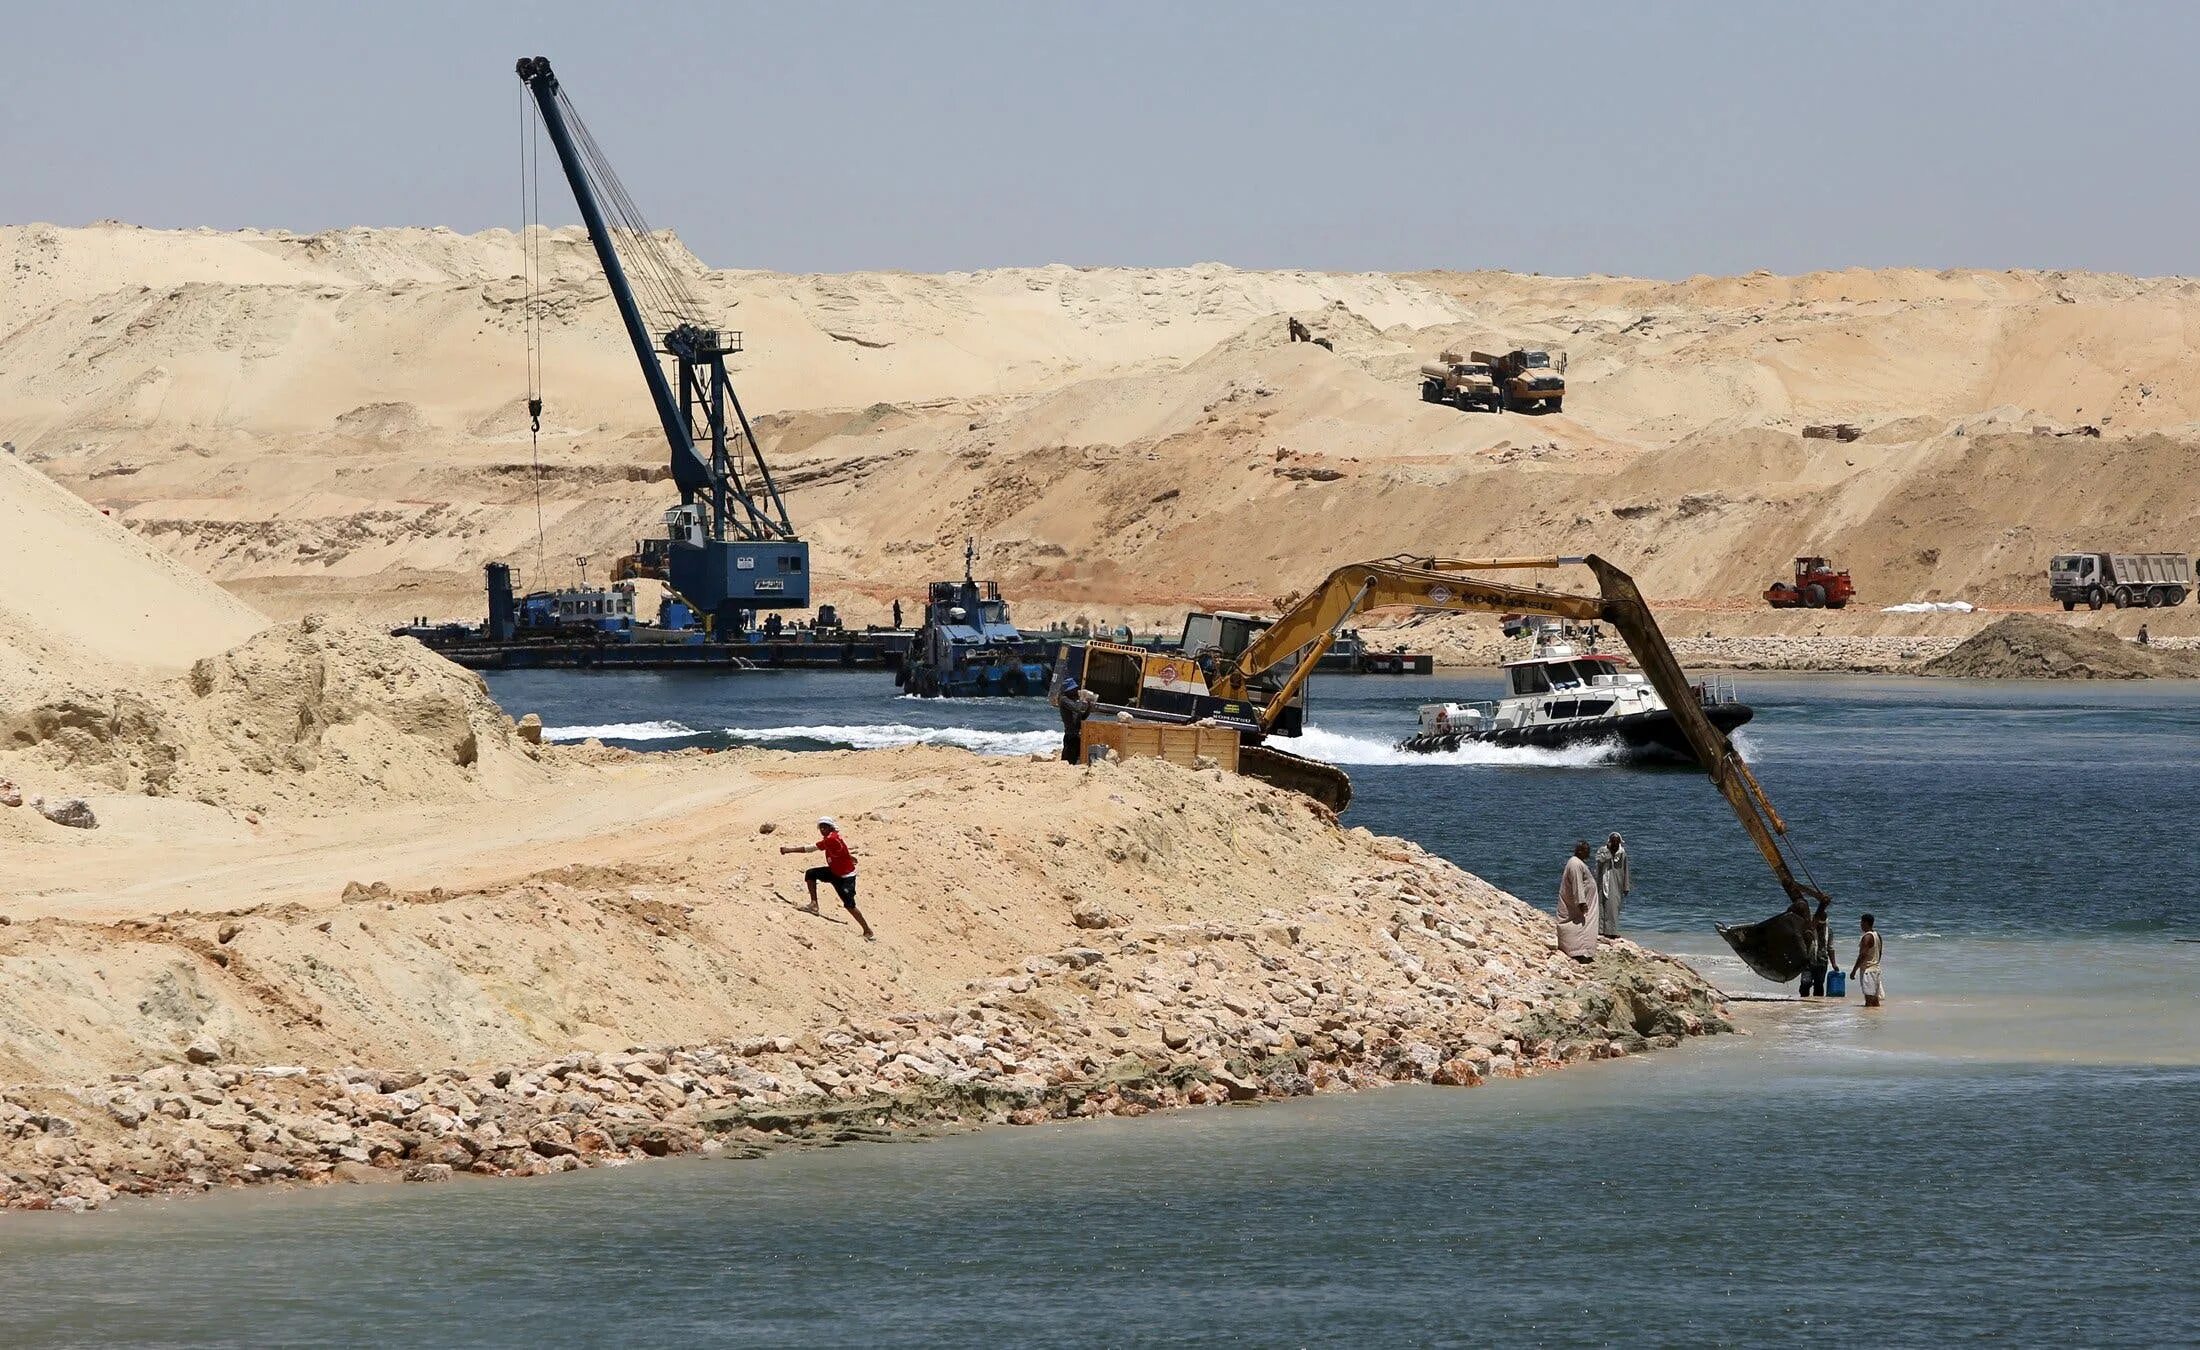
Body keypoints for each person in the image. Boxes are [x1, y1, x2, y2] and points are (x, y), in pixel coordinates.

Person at [780, 818, 874, 940]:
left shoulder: (831, 839)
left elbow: (811, 848)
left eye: (825, 827)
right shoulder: (833, 836)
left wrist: (789, 850)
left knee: (849, 905)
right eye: (821, 827)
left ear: (831, 827)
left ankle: (867, 930)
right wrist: (848, 857)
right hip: (834, 871)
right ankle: (814, 905)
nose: (822, 829)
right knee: (811, 874)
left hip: (845, 877)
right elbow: (842, 848)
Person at [1556, 841, 1599, 961]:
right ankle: (1578, 952)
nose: (1589, 853)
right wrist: (1581, 902)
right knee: (1577, 927)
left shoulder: (1577, 863)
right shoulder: (1575, 864)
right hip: (1577, 906)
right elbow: (1577, 884)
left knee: (1583, 927)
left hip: (1582, 902)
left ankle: (1582, 951)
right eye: (1586, 851)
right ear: (1580, 851)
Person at [1593, 832, 1630, 938]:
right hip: (1602, 882)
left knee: (1613, 907)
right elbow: (1599, 862)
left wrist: (1626, 886)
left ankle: (1612, 931)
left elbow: (1626, 870)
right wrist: (1608, 852)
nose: (1614, 843)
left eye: (1616, 841)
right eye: (1612, 841)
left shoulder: (1622, 853)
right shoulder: (1603, 851)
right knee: (1601, 906)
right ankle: (1600, 930)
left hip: (1616, 883)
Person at [1056, 678, 1097, 763]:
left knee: (1076, 759)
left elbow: (1082, 717)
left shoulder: (1072, 701)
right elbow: (1077, 708)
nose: (1075, 691)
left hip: (1076, 735)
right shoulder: (1064, 700)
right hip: (1070, 735)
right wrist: (1082, 699)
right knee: (1068, 760)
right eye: (1073, 689)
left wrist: (1089, 706)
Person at [1800, 897, 1833, 998]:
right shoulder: (1808, 930)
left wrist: (1834, 964)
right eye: (1819, 922)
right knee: (1805, 983)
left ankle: (1816, 1008)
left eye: (1822, 923)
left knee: (1819, 986)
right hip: (1808, 962)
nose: (1820, 925)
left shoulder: (1829, 932)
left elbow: (1830, 948)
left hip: (1822, 961)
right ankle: (1804, 1004)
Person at [1849, 912, 1884, 1008]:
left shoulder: (1867, 937)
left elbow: (1862, 955)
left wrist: (1854, 970)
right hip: (1876, 969)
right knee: (1875, 1001)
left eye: (1861, 923)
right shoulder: (1877, 935)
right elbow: (1880, 952)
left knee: (1869, 1000)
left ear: (1866, 923)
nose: (1860, 925)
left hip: (1868, 971)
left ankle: (1868, 1020)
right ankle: (1875, 1019)